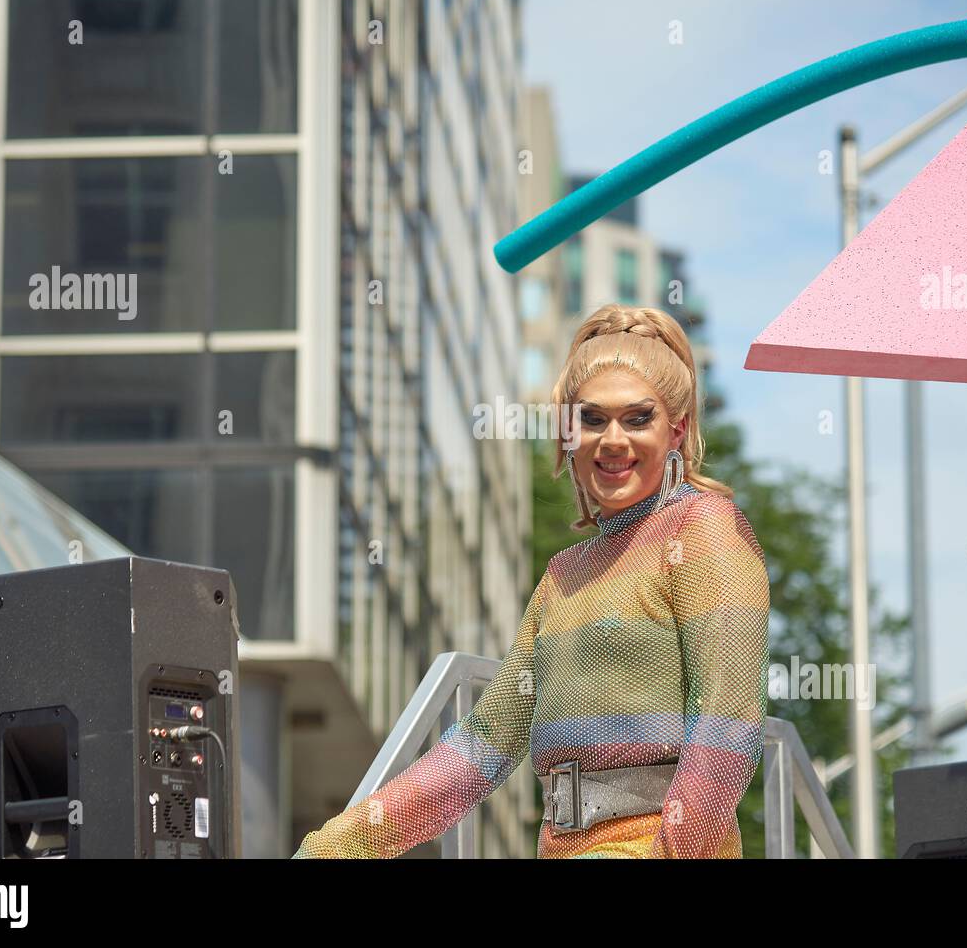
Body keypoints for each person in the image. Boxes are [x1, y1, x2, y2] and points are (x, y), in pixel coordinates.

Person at [294, 303, 770, 858]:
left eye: (637, 418)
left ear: (677, 429)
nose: (612, 440)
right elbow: (480, 750)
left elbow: (725, 735)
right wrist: (333, 847)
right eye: (592, 419)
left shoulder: (704, 528)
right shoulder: (563, 576)